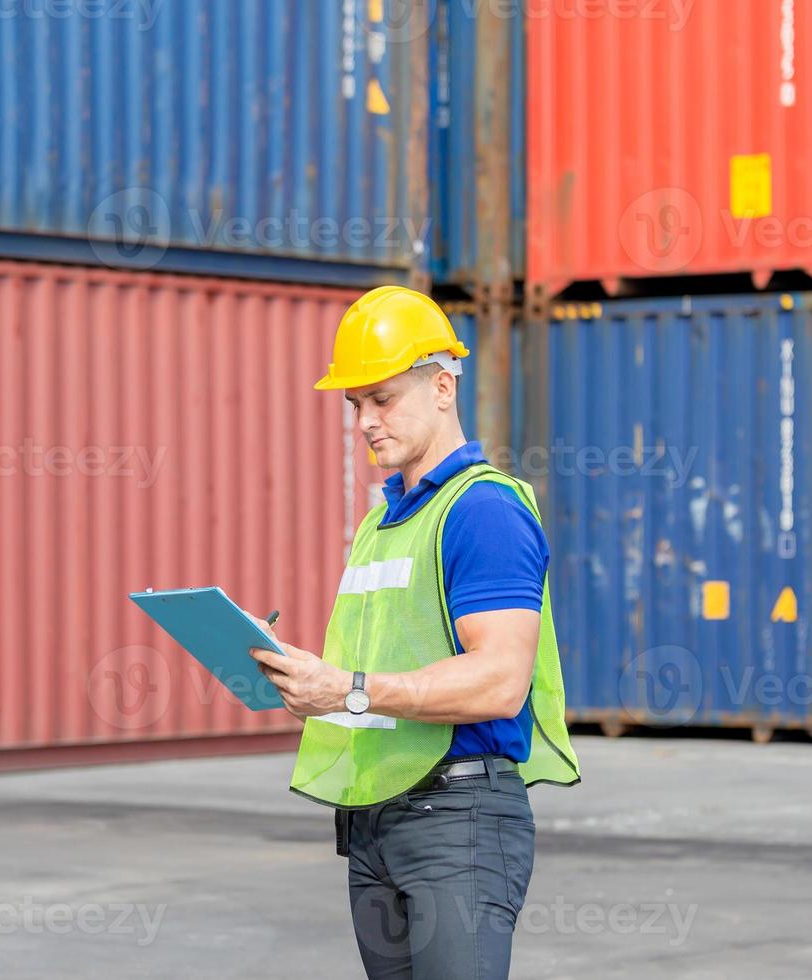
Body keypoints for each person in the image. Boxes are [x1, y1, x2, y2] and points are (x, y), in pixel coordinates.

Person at [249, 285, 580, 979]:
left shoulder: (482, 510)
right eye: (354, 405)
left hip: (456, 818)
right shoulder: (384, 521)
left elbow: (497, 682)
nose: (365, 421)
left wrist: (348, 691)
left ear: (441, 385)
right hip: (375, 820)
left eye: (382, 398)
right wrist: (294, 669)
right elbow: (389, 656)